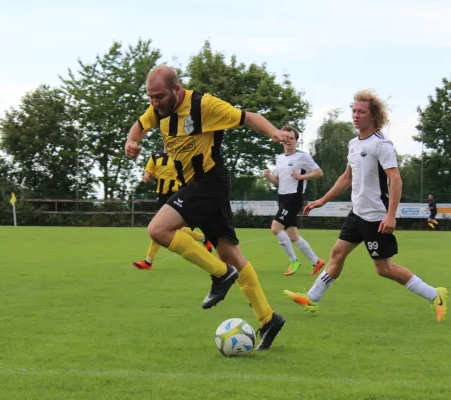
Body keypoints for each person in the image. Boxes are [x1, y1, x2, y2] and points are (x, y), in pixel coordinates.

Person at [125, 65, 288, 350]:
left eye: (159, 96)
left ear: (177, 89)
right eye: (150, 97)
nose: (154, 102)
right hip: (197, 186)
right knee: (229, 251)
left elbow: (249, 117)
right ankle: (268, 319)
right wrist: (131, 141)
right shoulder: (158, 110)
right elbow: (139, 127)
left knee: (158, 229)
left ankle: (220, 274)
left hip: (208, 183)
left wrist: (273, 132)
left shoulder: (204, 106)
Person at [283, 90, 447, 322]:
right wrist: (322, 200)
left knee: (384, 268)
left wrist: (391, 216)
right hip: (357, 213)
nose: (356, 115)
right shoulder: (353, 144)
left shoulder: (381, 144)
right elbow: (346, 178)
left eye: (361, 112)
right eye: (354, 111)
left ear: (373, 116)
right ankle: (311, 299)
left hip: (375, 217)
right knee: (337, 254)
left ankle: (435, 295)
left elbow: (396, 179)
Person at [133, 149, 213, 270]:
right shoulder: (155, 156)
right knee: (170, 229)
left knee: (159, 228)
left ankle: (148, 261)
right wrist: (146, 176)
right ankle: (204, 238)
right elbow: (149, 170)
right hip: (162, 195)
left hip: (177, 194)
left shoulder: (180, 155)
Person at [263, 125, 325, 276]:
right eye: (285, 138)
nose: (288, 141)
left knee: (275, 228)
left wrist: (302, 177)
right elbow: (279, 181)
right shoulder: (279, 158)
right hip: (282, 197)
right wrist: (268, 176)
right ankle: (316, 261)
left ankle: (293, 260)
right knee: (292, 236)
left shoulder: (302, 156)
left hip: (294, 197)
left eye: (291, 138)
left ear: (296, 140)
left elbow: (319, 173)